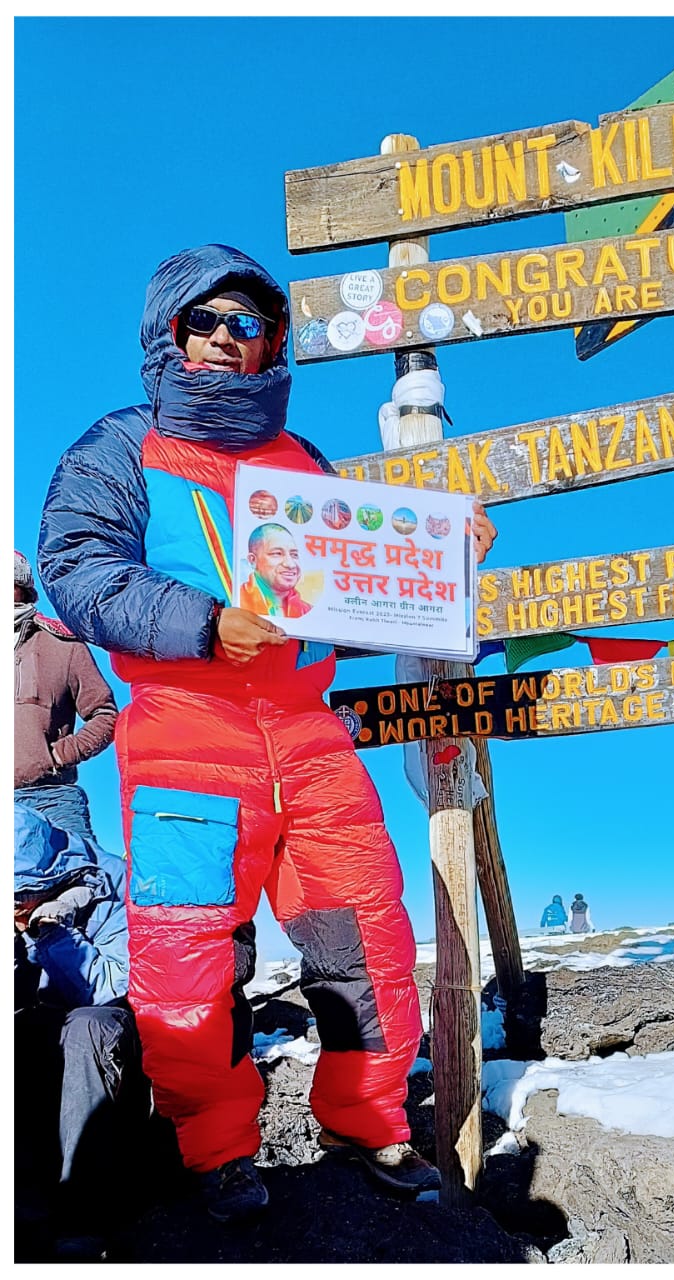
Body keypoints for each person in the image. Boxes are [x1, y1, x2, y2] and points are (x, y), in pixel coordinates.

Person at [38, 244, 498, 1223]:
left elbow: (366, 591)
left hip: (310, 738)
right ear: (167, 334)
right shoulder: (116, 448)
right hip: (184, 740)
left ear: (270, 342)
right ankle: (213, 1149)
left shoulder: (299, 466)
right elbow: (76, 567)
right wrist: (204, 624)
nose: (221, 337)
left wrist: (442, 560)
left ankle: (367, 1119)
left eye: (244, 323)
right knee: (188, 958)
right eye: (201, 321)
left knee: (367, 936)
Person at [14, 802, 150, 1260]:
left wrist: (50, 934)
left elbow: (112, 988)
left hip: (116, 1030)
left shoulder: (115, 883)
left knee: (86, 1027)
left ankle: (85, 1213)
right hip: (44, 1021)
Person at [14, 550, 117, 844]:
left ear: (19, 588)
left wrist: (58, 756)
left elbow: (106, 715)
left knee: (83, 884)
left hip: (50, 800)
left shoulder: (63, 645)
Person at [240, 522, 311, 618]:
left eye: (294, 555)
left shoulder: (308, 612)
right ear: (253, 560)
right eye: (277, 553)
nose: (290, 564)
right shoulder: (237, 602)